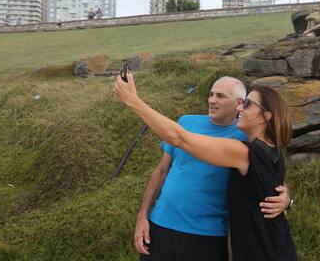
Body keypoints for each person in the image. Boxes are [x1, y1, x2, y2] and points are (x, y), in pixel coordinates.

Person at [114, 73, 296, 260]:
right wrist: (287, 200)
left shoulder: (244, 151)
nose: (241, 107)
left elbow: (179, 138)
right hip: (267, 247)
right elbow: (274, 184)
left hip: (262, 251)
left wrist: (132, 101)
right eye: (211, 94)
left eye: (247, 104)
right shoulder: (271, 152)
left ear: (265, 116)